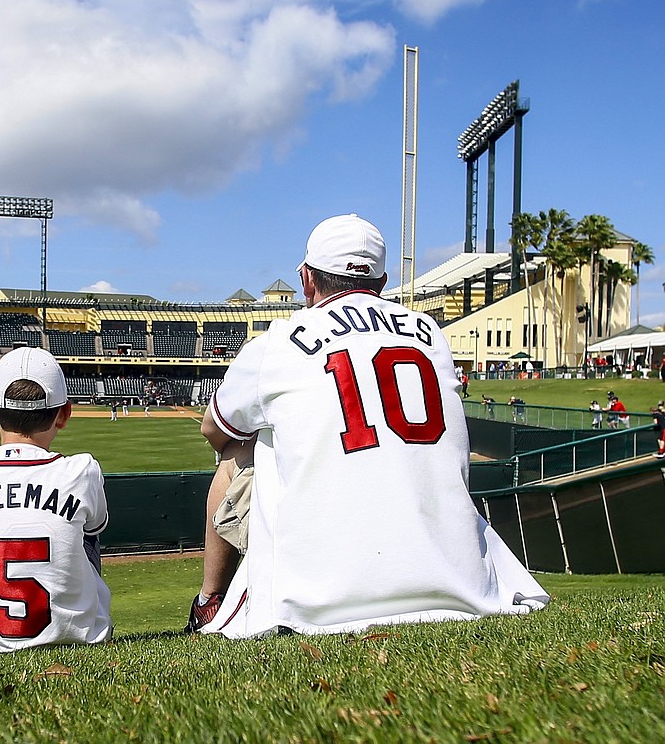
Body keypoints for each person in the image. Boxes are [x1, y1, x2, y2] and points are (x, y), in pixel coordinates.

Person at [190, 213, 548, 638]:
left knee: (237, 453)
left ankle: (210, 600)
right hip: (457, 578)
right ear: (381, 283)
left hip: (318, 595)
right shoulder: (432, 333)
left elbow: (215, 429)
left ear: (306, 280)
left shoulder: (277, 342)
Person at [0, 347, 112, 652]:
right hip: (77, 636)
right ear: (64, 414)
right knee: (86, 533)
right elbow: (94, 530)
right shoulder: (82, 469)